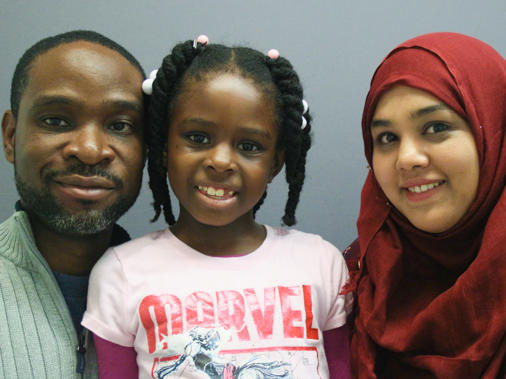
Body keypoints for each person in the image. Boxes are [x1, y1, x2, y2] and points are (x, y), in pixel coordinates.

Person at [82, 36, 353, 379]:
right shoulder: (120, 273)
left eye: (249, 145)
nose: (221, 161)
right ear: (165, 147)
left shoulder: (320, 263)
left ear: (275, 164)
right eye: (197, 137)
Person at [345, 32, 505, 378]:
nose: (407, 159)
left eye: (436, 127)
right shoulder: (354, 280)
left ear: (494, 132)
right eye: (387, 138)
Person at [0, 30, 146, 378]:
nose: (90, 150)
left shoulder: (186, 294)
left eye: (120, 125)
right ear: (10, 136)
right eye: (56, 120)